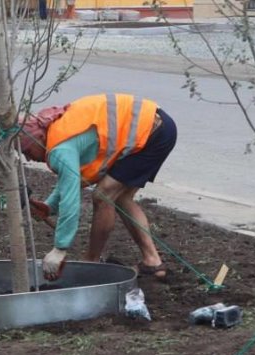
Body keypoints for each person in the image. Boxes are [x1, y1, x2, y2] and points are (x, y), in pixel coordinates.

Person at [17, 93, 177, 281]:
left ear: (37, 138)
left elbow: (71, 200)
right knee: (121, 198)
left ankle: (91, 262)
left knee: (103, 195)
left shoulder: (60, 150)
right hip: (157, 125)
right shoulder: (58, 131)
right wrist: (49, 207)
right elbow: (72, 180)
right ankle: (152, 263)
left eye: (26, 150)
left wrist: (60, 248)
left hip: (152, 132)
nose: (28, 158)